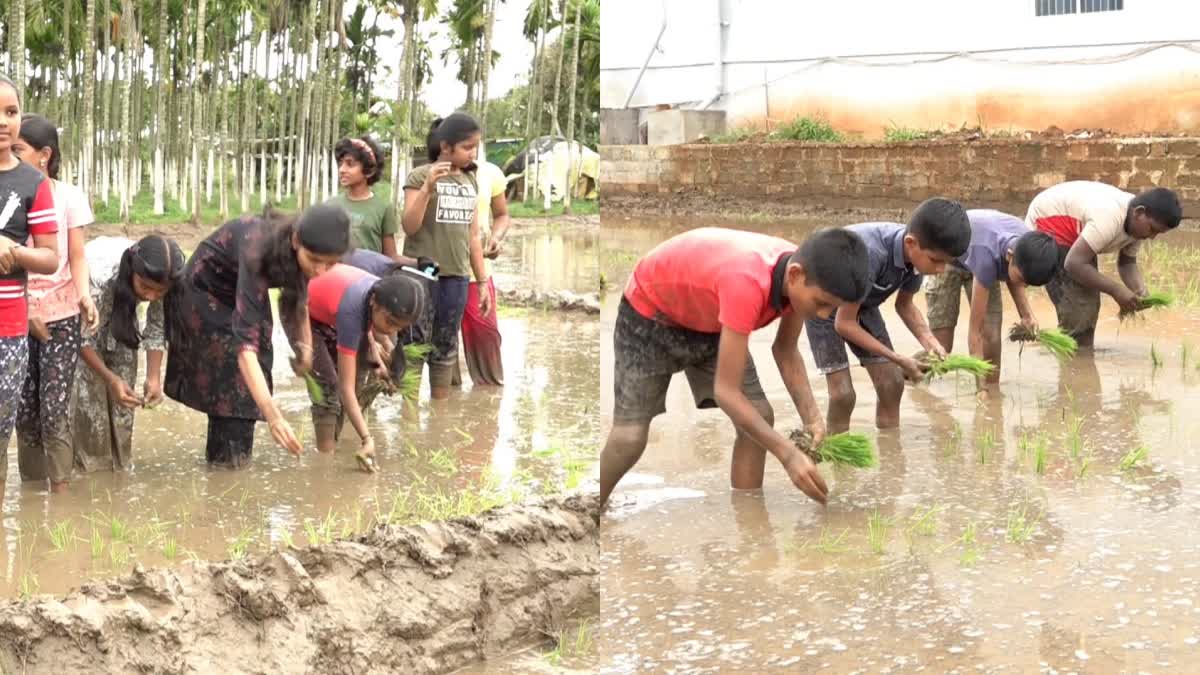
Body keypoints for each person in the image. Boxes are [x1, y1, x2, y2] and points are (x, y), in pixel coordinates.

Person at [599, 227, 872, 509]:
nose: (824, 315)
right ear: (794, 275)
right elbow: (726, 393)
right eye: (822, 304)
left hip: (711, 319)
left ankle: (748, 516)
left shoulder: (803, 278)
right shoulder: (748, 283)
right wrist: (788, 454)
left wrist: (812, 418)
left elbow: (786, 351)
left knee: (760, 416)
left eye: (832, 308)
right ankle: (595, 509)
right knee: (629, 438)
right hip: (650, 313)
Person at [164, 205, 349, 468]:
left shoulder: (299, 252)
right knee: (235, 393)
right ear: (296, 240)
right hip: (202, 298)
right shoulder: (258, 249)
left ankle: (230, 465)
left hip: (234, 296)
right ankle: (226, 472)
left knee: (251, 376)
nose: (320, 271)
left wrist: (306, 349)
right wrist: (274, 416)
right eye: (315, 260)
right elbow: (245, 348)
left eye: (330, 264)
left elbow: (298, 300)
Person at [806, 198, 971, 434]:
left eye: (946, 263)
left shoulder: (914, 260)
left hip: (862, 302)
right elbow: (844, 324)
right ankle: (837, 452)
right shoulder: (871, 254)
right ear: (911, 243)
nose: (940, 270)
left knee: (892, 383)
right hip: (824, 302)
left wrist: (930, 341)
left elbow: (905, 305)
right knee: (843, 394)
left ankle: (891, 449)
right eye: (936, 261)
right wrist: (897, 358)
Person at [11, 113, 99, 492]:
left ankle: (60, 492)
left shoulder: (68, 197)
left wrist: (83, 294)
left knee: (54, 404)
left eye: (19, 149)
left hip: (61, 314)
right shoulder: (10, 194)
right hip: (17, 313)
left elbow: (76, 255)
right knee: (23, 409)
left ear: (44, 155)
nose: (11, 155)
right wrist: (29, 309)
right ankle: (32, 489)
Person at [73, 235, 183, 473]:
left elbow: (156, 327)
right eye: (145, 287)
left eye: (160, 292)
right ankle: (93, 472)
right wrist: (110, 378)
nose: (152, 296)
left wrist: (153, 377)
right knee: (91, 407)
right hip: (87, 311)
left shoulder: (162, 278)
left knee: (125, 403)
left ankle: (121, 468)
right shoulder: (100, 279)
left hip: (124, 317)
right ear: (132, 272)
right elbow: (81, 338)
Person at [1025, 181, 1182, 346]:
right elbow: (1074, 264)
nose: (1152, 237)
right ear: (1139, 212)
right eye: (1152, 229)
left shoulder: (1137, 225)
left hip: (1076, 234)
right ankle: (1075, 359)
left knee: (1089, 304)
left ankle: (1075, 352)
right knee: (1080, 308)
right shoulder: (1108, 218)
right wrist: (1117, 290)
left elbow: (1127, 263)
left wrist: (1139, 290)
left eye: (1158, 233)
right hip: (1049, 222)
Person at [401, 112, 490, 400]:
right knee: (414, 345)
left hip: (457, 276)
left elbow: (473, 236)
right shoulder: (419, 176)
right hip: (422, 273)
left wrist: (483, 281)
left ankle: (440, 416)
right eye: (467, 147)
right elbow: (409, 226)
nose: (472, 153)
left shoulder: (470, 181)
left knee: (445, 347)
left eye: (475, 146)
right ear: (445, 147)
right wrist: (427, 188)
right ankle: (409, 416)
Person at [0, 74, 61, 496]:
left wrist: (15, 253)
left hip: (9, 332)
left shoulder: (33, 185)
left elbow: (51, 257)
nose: (4, 121)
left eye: (10, 111)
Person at [306, 263, 429, 471]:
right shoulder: (353, 310)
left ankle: (333, 443)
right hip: (302, 311)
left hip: (333, 311)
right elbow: (344, 389)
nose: (392, 330)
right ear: (374, 302)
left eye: (399, 327)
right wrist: (366, 438)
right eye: (390, 323)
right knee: (329, 390)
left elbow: (369, 330)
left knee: (356, 381)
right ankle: (325, 465)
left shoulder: (379, 296)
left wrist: (381, 366)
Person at [925, 209, 1059, 387]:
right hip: (945, 259)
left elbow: (1016, 277)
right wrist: (981, 391)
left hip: (983, 254)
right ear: (1009, 256)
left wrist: (1026, 314)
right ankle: (909, 372)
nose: (1024, 286)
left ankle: (993, 387)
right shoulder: (988, 259)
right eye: (1022, 280)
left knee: (992, 334)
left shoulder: (1031, 247)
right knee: (942, 347)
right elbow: (975, 332)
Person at [453, 158, 510, 387]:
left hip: (479, 271)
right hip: (442, 271)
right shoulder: (429, 174)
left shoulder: (489, 173)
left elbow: (502, 215)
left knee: (485, 333)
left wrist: (495, 238)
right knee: (443, 341)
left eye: (472, 144)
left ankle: (489, 393)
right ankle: (447, 395)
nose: (470, 150)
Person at [329, 135, 399, 256]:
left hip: (370, 274)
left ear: (369, 170)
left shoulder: (384, 208)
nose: (342, 169)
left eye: (350, 164)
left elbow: (391, 257)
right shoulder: (330, 206)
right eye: (341, 163)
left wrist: (417, 263)